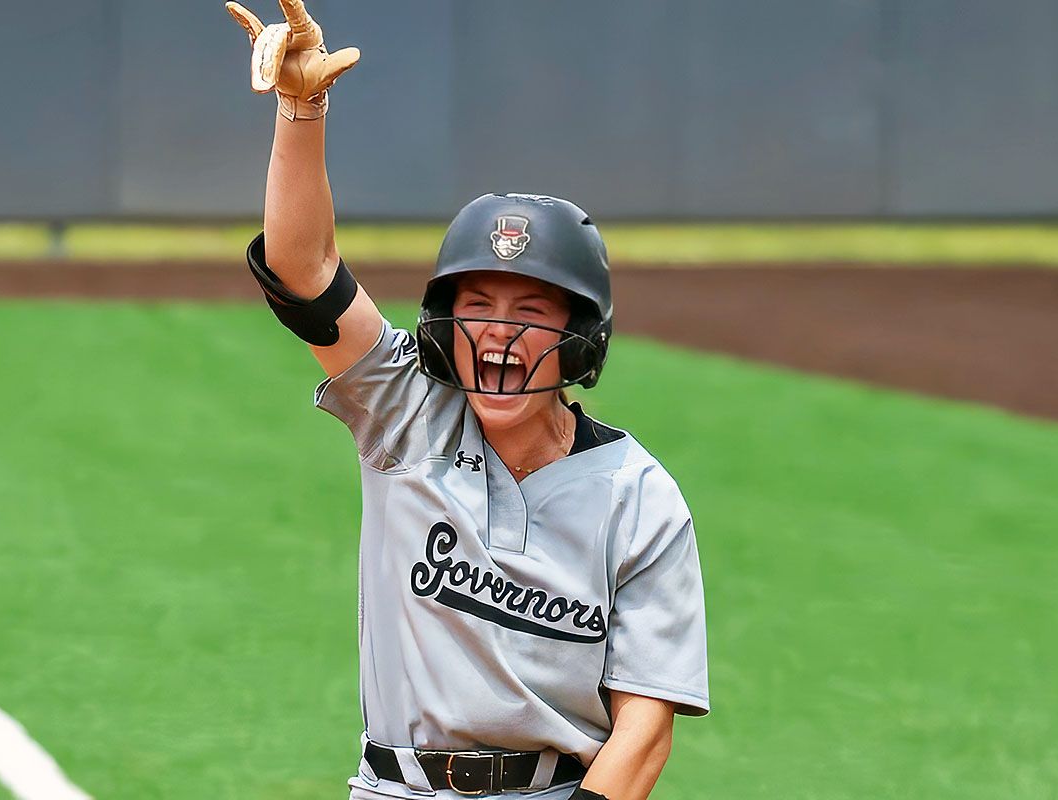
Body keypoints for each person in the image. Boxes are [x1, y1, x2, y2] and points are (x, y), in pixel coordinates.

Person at [225, 3, 709, 798]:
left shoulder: (638, 498)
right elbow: (303, 273)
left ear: (580, 335)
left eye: (530, 313)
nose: (498, 335)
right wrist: (301, 109)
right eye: (478, 306)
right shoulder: (405, 410)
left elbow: (645, 730)